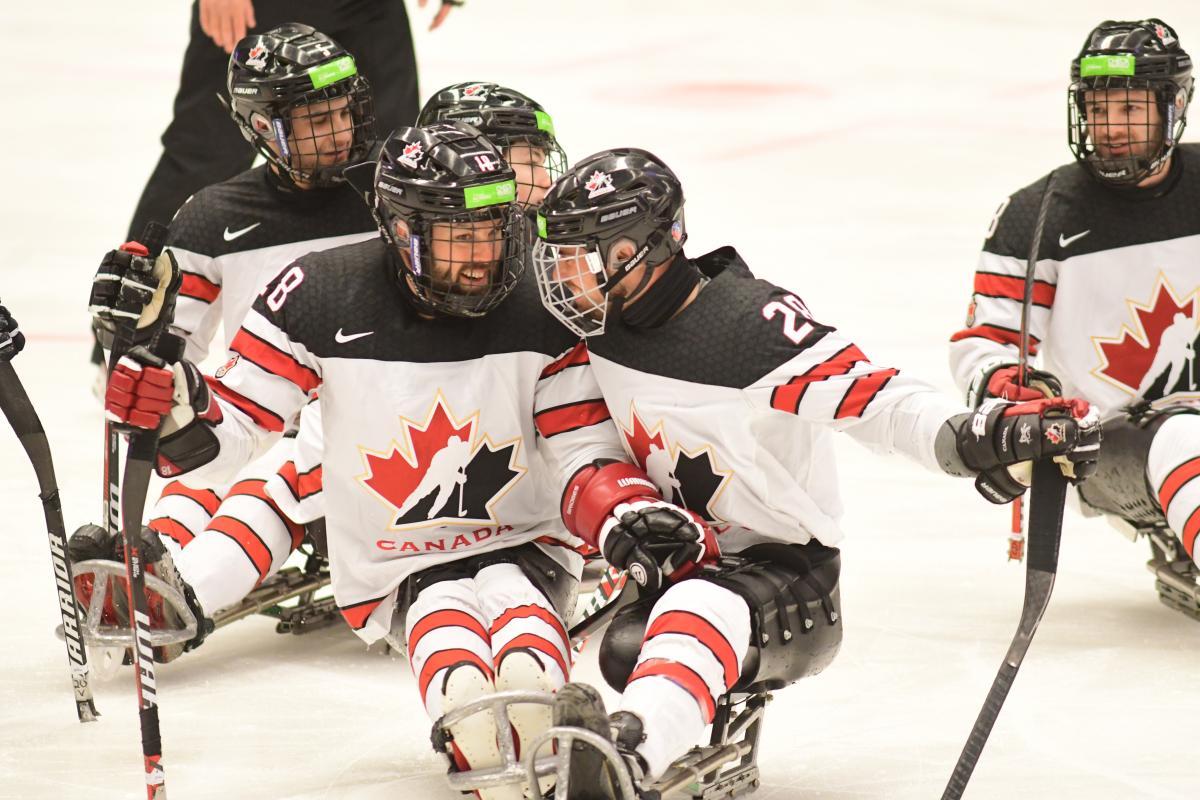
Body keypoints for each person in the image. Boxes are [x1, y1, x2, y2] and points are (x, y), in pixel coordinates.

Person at [91, 123, 661, 800]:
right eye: (460, 234)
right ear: (400, 230)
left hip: (528, 542)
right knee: (453, 642)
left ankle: (529, 742)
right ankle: (481, 750)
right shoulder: (316, 293)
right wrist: (177, 398)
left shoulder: (544, 299)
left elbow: (579, 441)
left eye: (494, 228)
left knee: (525, 653)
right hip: (400, 562)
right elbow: (231, 436)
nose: (485, 253)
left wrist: (623, 514)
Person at [527, 148, 1103, 797]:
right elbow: (580, 445)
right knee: (629, 638)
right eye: (564, 259)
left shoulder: (748, 326)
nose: (571, 280)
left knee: (698, 606)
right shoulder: (594, 332)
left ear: (654, 247)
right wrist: (625, 514)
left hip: (787, 575)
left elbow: (880, 401)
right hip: (674, 567)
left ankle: (627, 755)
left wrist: (983, 433)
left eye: (590, 256)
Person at [73, 23, 380, 661]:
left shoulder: (388, 198)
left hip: (366, 426)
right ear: (261, 127)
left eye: (340, 113)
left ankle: (179, 594)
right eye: (313, 120)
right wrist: (132, 336)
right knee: (202, 470)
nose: (338, 133)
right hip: (258, 410)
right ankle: (141, 563)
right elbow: (170, 352)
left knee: (265, 483)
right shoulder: (212, 217)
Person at [948, 18, 1200, 617]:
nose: (1110, 128)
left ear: (1174, 105)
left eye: (1131, 109)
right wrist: (1012, 388)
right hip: (1112, 441)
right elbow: (986, 341)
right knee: (1183, 436)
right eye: (1098, 107)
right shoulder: (1039, 214)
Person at [122, 0, 446, 245]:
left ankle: (379, 311)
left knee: (389, 162)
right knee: (205, 154)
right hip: (260, 7)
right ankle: (132, 311)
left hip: (366, 8)